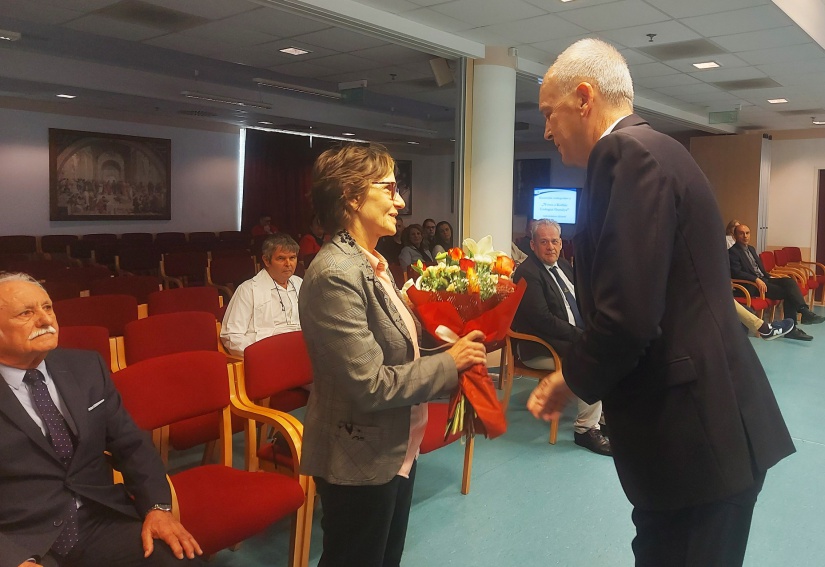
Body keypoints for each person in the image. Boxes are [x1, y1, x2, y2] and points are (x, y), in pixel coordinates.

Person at [528, 39, 795, 567]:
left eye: (548, 112)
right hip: (710, 433)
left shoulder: (623, 154)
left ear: (584, 98)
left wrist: (571, 377)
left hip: (694, 442)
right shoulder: (660, 149)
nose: (546, 130)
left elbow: (628, 316)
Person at [299, 143, 486, 567]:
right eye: (389, 188)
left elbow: (404, 345)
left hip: (397, 444)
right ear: (351, 196)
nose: (400, 202)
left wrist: (458, 334)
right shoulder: (335, 274)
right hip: (359, 454)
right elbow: (370, 384)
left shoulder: (372, 262)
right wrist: (452, 362)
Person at [0, 272, 204, 567]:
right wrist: (10, 558)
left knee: (181, 560)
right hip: (21, 538)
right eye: (26, 313)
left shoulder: (85, 366)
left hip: (98, 519)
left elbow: (131, 443)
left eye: (47, 307)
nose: (45, 320)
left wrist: (157, 507)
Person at [512, 219, 610, 456]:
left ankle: (605, 418)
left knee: (615, 347)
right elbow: (543, 320)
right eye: (544, 242)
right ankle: (585, 429)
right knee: (594, 357)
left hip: (572, 336)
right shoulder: (527, 273)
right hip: (542, 345)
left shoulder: (564, 265)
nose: (551, 247)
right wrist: (583, 337)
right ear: (533, 245)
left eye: (555, 241)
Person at [220, 233, 302, 357]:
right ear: (266, 261)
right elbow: (231, 336)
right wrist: (262, 353)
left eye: (292, 258)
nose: (288, 263)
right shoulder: (248, 290)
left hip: (301, 353)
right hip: (267, 356)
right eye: (281, 258)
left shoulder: (301, 284)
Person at [729, 224, 824, 326]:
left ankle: (804, 313)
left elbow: (759, 268)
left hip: (764, 279)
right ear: (735, 236)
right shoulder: (732, 252)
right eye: (741, 233)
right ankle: (794, 326)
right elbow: (737, 273)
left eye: (747, 233)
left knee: (789, 281)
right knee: (789, 293)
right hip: (752, 285)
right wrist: (756, 279)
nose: (745, 236)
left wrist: (769, 276)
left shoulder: (751, 249)